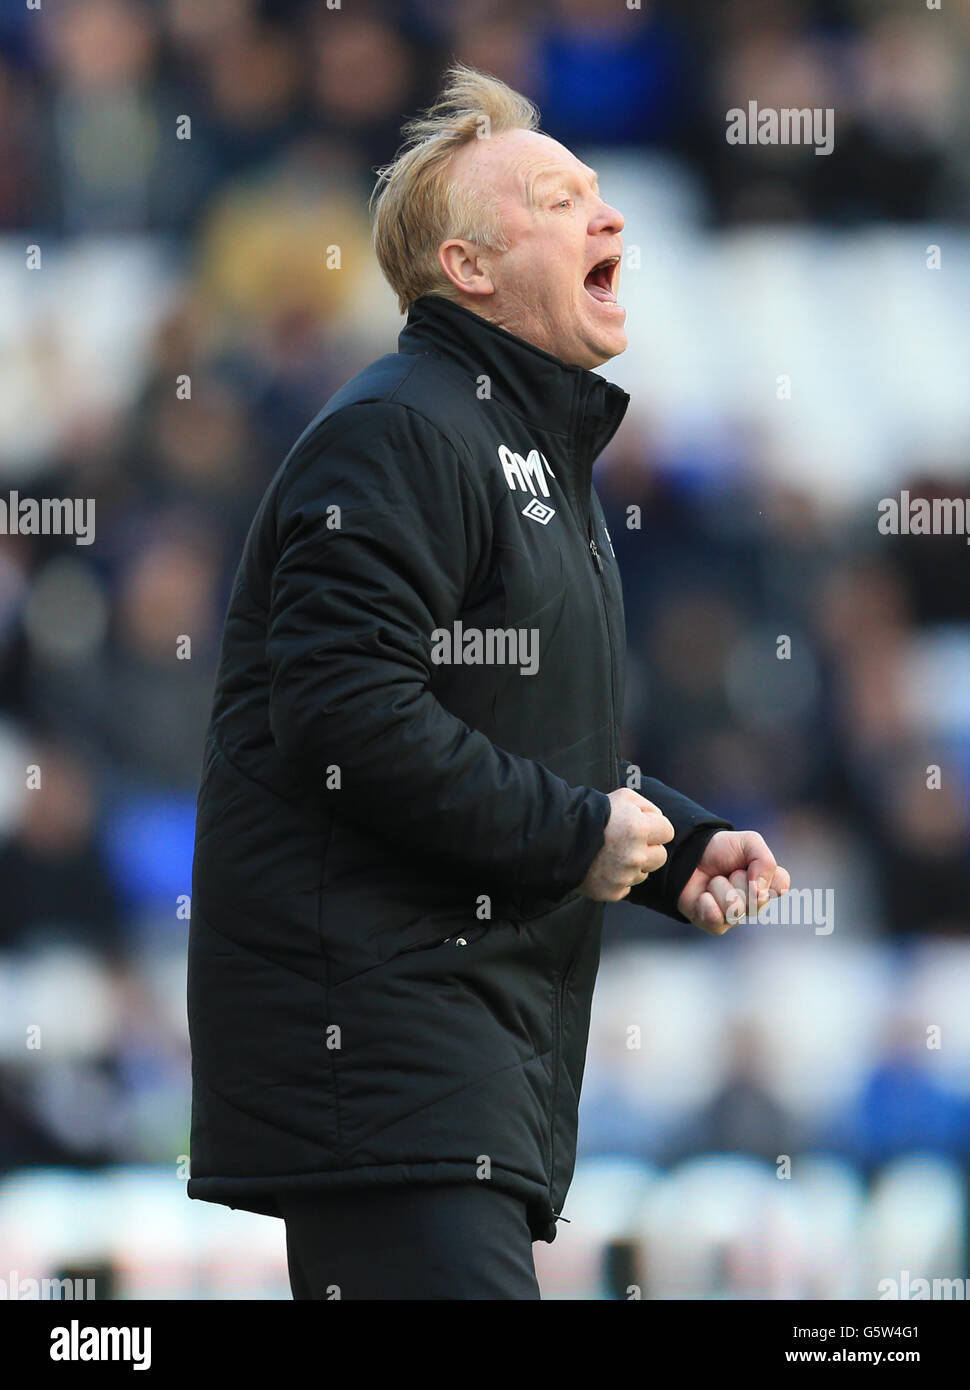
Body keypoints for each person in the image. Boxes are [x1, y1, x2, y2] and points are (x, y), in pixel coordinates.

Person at [186, 63, 790, 1300]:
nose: (610, 218)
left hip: (457, 1065)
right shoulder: (401, 430)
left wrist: (671, 847)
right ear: (468, 268)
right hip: (384, 1061)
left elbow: (511, 737)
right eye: (565, 200)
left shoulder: (519, 455)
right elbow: (346, 718)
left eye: (602, 193)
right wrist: (579, 833)